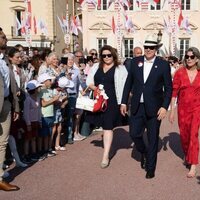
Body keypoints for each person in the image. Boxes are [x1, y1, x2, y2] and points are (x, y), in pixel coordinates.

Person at [120, 34, 172, 179]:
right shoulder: (135, 62)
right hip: (137, 106)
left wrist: (164, 107)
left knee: (153, 137)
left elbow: (168, 88)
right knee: (134, 134)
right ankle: (143, 151)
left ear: (156, 49)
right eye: (146, 47)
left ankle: (150, 168)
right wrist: (124, 102)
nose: (148, 49)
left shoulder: (163, 65)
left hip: (155, 108)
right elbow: (128, 83)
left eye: (151, 47)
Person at [86, 45, 128, 168]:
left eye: (109, 55)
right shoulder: (95, 67)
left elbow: (125, 86)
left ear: (113, 55)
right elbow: (89, 81)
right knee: (104, 125)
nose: (106, 57)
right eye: (104, 55)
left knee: (108, 127)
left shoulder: (121, 68)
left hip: (113, 101)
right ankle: (106, 148)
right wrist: (95, 88)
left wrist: (124, 102)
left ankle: (105, 155)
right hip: (99, 100)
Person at [169, 47, 200, 178]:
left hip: (197, 108)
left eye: (192, 57)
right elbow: (174, 93)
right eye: (187, 57)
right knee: (185, 136)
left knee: (193, 135)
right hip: (182, 109)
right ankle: (187, 153)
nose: (189, 59)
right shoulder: (180, 73)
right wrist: (171, 111)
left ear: (197, 59)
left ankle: (193, 164)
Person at [0, 27, 20, 191]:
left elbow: (11, 85)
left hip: (6, 103)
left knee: (2, 142)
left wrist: (16, 106)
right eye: (1, 37)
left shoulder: (6, 61)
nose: (5, 38)